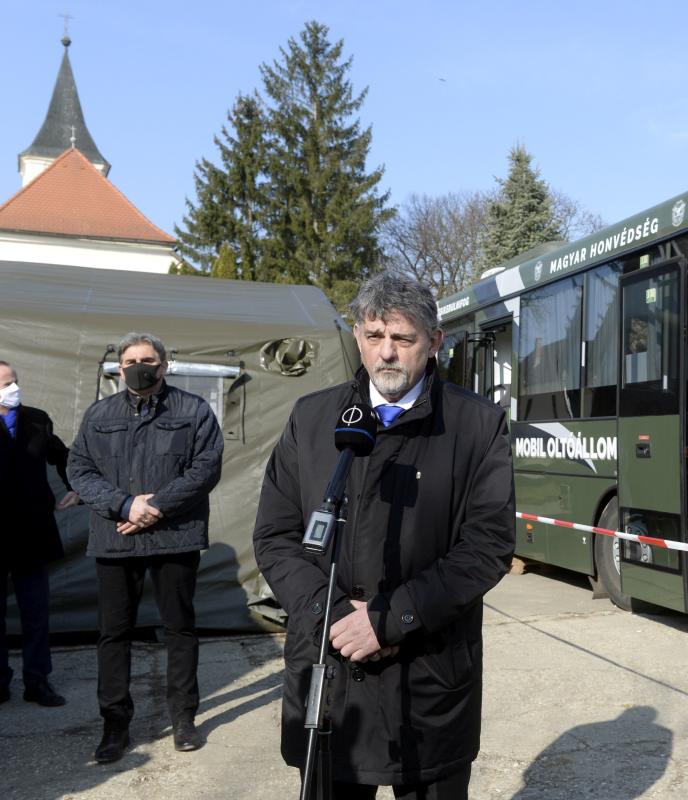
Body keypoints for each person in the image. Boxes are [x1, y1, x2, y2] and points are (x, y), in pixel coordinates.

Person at [254, 274, 515, 799]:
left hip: (427, 680)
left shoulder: (477, 425)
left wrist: (386, 621)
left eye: (403, 338)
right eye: (375, 336)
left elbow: (486, 547)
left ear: (435, 341)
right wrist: (332, 617)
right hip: (330, 677)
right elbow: (275, 535)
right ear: (357, 336)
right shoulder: (313, 419)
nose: (387, 353)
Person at [67, 333, 223, 764]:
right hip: (115, 537)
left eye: (148, 360)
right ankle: (115, 724)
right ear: (119, 368)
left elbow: (206, 466)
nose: (140, 366)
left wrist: (155, 506)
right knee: (114, 634)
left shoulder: (193, 410)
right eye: (131, 360)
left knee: (180, 628)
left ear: (165, 365)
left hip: (175, 536)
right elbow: (78, 468)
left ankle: (183, 717)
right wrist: (124, 505)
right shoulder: (99, 414)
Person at [0, 360, 79, 707]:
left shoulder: (36, 419)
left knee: (35, 612)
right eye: (5, 384)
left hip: (32, 530)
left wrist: (73, 486)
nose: (13, 388)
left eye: (14, 381)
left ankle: (38, 681)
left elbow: (63, 456)